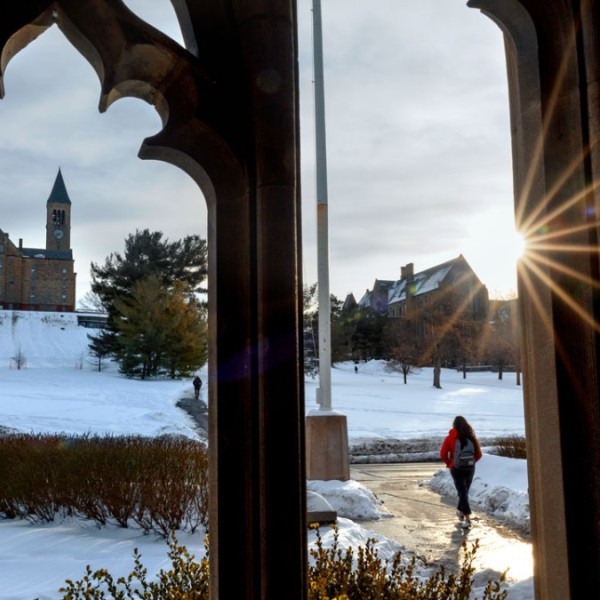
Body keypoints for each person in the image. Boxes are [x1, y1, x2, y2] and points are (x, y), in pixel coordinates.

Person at [439, 415, 482, 529]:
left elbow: (443, 454)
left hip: (456, 468)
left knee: (462, 492)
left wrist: (450, 463)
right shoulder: (471, 437)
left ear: (454, 425)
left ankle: (467, 519)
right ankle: (459, 510)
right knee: (464, 492)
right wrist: (471, 463)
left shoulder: (450, 438)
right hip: (469, 468)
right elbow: (479, 454)